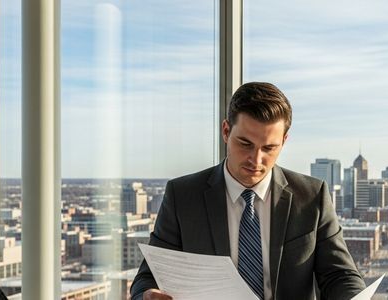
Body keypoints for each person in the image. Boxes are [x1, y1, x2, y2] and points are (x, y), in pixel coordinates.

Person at [131, 82, 366, 300]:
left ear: (284, 141)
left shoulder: (312, 196)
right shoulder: (182, 196)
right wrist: (147, 295)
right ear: (226, 131)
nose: (256, 159)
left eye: (269, 148)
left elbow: (340, 275)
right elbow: (148, 277)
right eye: (245, 144)